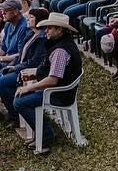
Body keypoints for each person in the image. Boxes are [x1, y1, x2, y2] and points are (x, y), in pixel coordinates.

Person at [12, 13, 82, 150]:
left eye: (49, 28)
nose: (46, 31)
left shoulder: (60, 50)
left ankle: (46, 136)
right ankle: (40, 134)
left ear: (60, 30)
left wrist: (29, 88)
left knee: (20, 102)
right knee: (22, 96)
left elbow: (52, 80)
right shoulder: (60, 44)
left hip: (59, 95)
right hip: (58, 89)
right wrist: (34, 74)